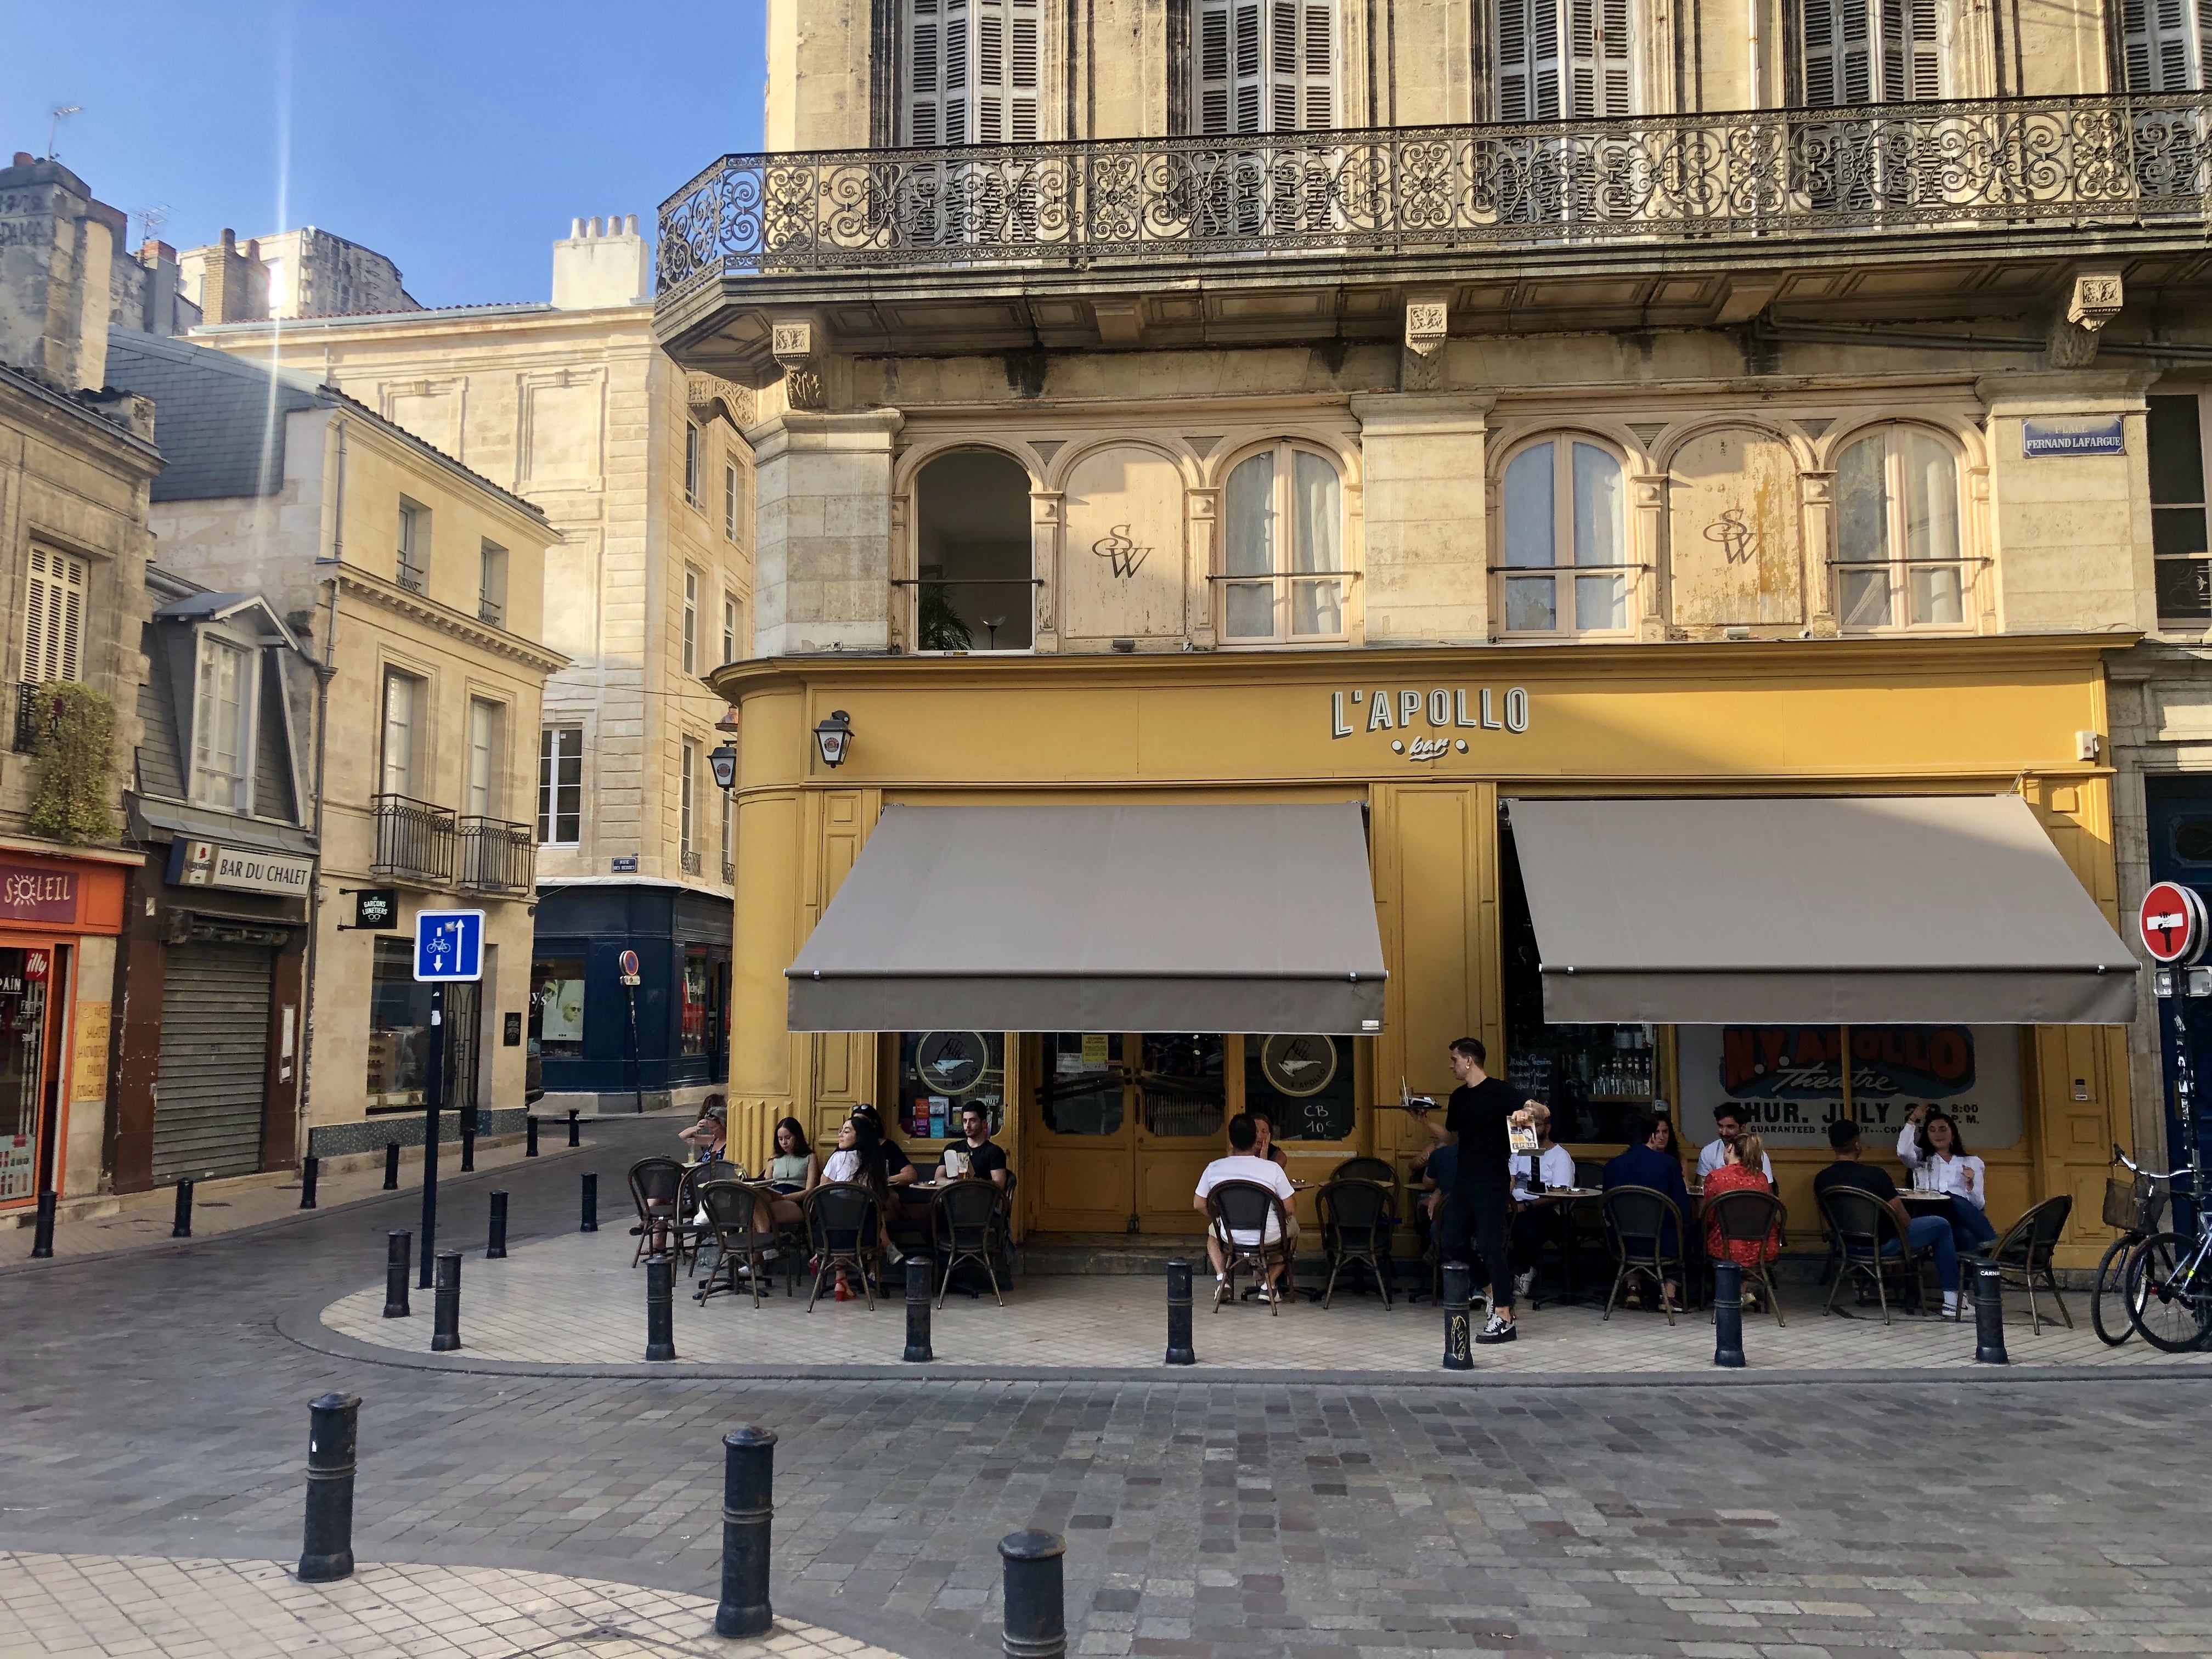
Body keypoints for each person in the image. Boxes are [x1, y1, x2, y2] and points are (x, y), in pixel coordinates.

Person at [1412, 1037, 1536, 1344]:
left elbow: (1540, 1111)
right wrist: (1426, 1123)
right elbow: (1453, 1138)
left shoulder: (1499, 1091)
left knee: (1492, 1246)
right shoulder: (1458, 1097)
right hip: (1464, 1182)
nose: (1450, 1064)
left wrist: (1527, 1112)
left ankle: (1505, 1317)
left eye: (1454, 1059)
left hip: (1492, 1180)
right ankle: (1494, 1293)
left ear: (1469, 1061)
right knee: (1449, 1239)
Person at [1815, 1116, 1962, 1316]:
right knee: (1942, 1225)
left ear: (1833, 1146)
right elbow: (1904, 1221)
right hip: (1883, 1245)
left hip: (1846, 1245)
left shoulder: (1821, 1179)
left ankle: (1864, 1285)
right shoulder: (1875, 1175)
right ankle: (1952, 1302)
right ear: (1858, 1144)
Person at [1194, 1113, 1298, 1293]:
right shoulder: (1272, 1169)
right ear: (1254, 1138)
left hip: (1230, 1235)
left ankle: (1223, 1280)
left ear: (1231, 1140)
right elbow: (1290, 1208)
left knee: (1212, 1236)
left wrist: (1221, 1216)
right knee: (1292, 1232)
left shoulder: (1215, 1168)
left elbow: (1199, 1204)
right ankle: (1269, 1285)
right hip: (1268, 1236)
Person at [1602, 1112, 1695, 1312]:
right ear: (1652, 1136)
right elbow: (1682, 1207)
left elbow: (1608, 1211)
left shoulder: (1611, 1166)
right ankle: (1668, 1295)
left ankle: (1632, 1286)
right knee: (1687, 1230)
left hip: (1623, 1244)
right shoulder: (1669, 1164)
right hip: (1662, 1245)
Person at [1898, 1107, 1997, 1253]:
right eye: (1932, 1130)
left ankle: (1972, 1274)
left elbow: (1978, 1204)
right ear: (1927, 1134)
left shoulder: (1972, 1162)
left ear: (1953, 1133)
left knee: (1966, 1236)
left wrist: (1970, 1184)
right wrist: (1912, 1120)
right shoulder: (1921, 1158)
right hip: (1929, 1213)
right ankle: (1994, 1243)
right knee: (1949, 1198)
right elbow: (1903, 1152)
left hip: (1960, 1218)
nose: (1938, 1134)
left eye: (1943, 1129)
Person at [1701, 1132, 1781, 1304]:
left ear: (1729, 1148)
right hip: (1761, 1249)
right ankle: (1742, 1290)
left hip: (1725, 1249)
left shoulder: (1716, 1177)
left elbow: (1710, 1218)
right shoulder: (1761, 1179)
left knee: (1697, 1238)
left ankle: (1722, 1294)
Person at [1508, 1103, 1577, 1298]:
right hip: (1516, 1205)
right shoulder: (1519, 1152)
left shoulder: (1560, 1156)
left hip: (1547, 1209)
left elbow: (1560, 1194)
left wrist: (1526, 1205)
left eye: (1536, 1125)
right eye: (1528, 1125)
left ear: (1547, 1127)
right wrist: (1507, 1199)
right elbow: (1511, 1180)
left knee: (1527, 1225)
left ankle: (1523, 1270)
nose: (1531, 1129)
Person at [763, 1116, 817, 1232]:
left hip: (796, 1200)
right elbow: (765, 1184)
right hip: (775, 1196)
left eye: (788, 1138)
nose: (784, 1143)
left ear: (797, 1137)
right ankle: (759, 1248)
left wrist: (783, 1198)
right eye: (780, 1139)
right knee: (756, 1210)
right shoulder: (774, 1158)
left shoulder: (809, 1157)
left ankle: (760, 1248)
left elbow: (809, 1190)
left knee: (761, 1213)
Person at [1697, 1106, 1772, 1183]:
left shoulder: (1759, 1155)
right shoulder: (1708, 1152)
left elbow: (1767, 1192)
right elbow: (1701, 1189)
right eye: (1720, 1126)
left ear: (1742, 1127)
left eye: (1730, 1127)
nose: (1724, 1132)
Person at [944, 1102, 1009, 1189]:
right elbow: (938, 1178)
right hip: (953, 1199)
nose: (968, 1126)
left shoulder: (994, 1152)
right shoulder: (952, 1148)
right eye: (965, 1121)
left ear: (984, 1123)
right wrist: (955, 1183)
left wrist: (973, 1183)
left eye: (972, 1121)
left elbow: (999, 1185)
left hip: (981, 1200)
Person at [678, 1097, 729, 1164]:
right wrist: (697, 1127)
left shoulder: (728, 1144)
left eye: (713, 1127)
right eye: (710, 1127)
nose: (711, 1131)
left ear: (723, 1126)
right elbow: (683, 1136)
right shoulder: (712, 1140)